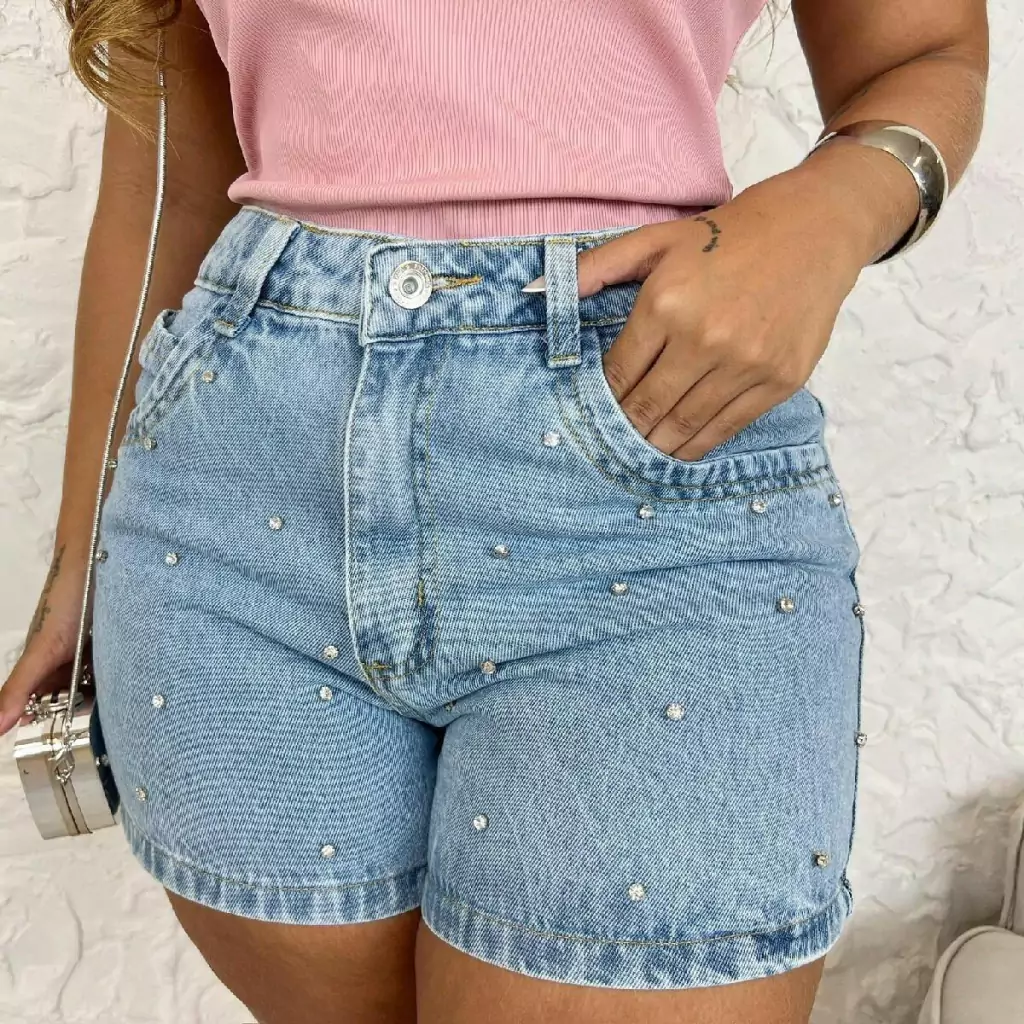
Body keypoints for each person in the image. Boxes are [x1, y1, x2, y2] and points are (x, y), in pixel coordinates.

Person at [1, 1, 987, 1021]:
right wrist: (81, 556)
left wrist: (834, 206)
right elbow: (171, 178)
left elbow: (924, 51)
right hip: (238, 496)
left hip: (651, 464)